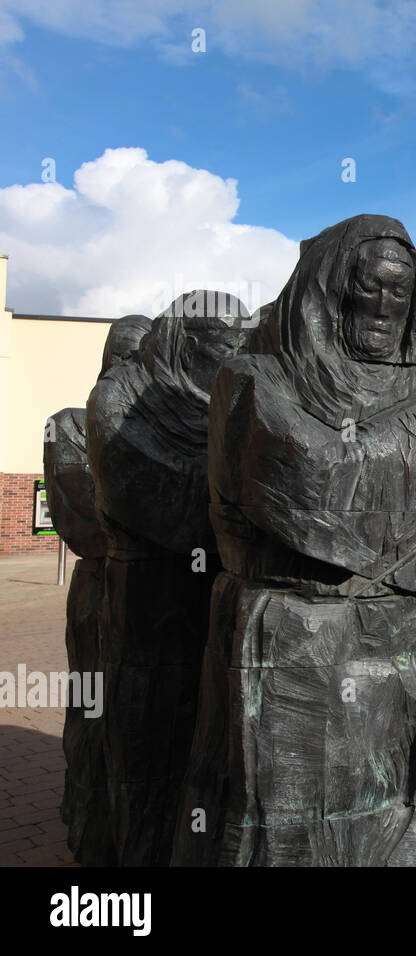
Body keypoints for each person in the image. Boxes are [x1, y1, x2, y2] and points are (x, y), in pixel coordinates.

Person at [176, 214, 416, 866]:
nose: (384, 305)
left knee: (398, 805)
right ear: (328, 289)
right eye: (369, 287)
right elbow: (319, 485)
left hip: (402, 626)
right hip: (300, 631)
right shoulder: (256, 379)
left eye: (400, 292)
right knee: (291, 817)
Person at [84, 294, 249, 866]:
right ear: (183, 338)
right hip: (148, 598)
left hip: (211, 598)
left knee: (202, 750)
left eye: (235, 343)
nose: (228, 354)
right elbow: (147, 492)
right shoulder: (118, 398)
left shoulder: (219, 402)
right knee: (144, 743)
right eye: (216, 342)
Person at [43, 312, 154, 865]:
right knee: (93, 711)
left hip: (154, 590)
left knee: (144, 717)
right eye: (127, 359)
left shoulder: (169, 428)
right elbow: (82, 521)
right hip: (101, 588)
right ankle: (87, 820)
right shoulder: (67, 425)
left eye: (146, 361)